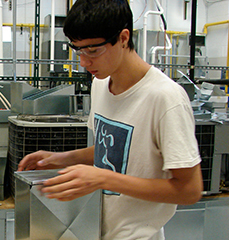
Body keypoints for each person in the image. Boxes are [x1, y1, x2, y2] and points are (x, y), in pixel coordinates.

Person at [16, 0, 203, 239]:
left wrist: (104, 178)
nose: (84, 62)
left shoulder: (166, 98)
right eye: (78, 50)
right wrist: (60, 159)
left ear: (123, 38)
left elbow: (189, 190)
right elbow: (114, 148)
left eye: (93, 51)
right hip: (95, 230)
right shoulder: (101, 84)